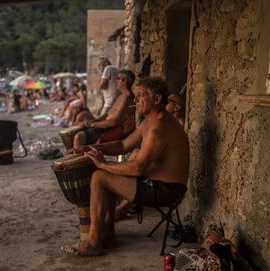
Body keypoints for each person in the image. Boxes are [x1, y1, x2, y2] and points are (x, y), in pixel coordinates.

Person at [61, 77, 190, 256]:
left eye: (141, 96)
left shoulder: (159, 126)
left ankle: (93, 242)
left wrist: (104, 163)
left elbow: (138, 168)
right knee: (105, 174)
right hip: (157, 183)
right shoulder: (150, 121)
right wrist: (89, 148)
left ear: (157, 100)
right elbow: (122, 146)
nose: (135, 100)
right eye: (135, 96)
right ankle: (105, 232)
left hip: (166, 190)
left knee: (99, 177)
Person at [72, 70, 136, 148]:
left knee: (79, 137)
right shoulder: (121, 96)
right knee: (81, 127)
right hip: (106, 125)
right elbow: (108, 114)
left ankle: (80, 158)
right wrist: (93, 121)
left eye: (118, 78)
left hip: (111, 128)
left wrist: (93, 124)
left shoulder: (128, 98)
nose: (116, 81)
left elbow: (114, 122)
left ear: (124, 80)